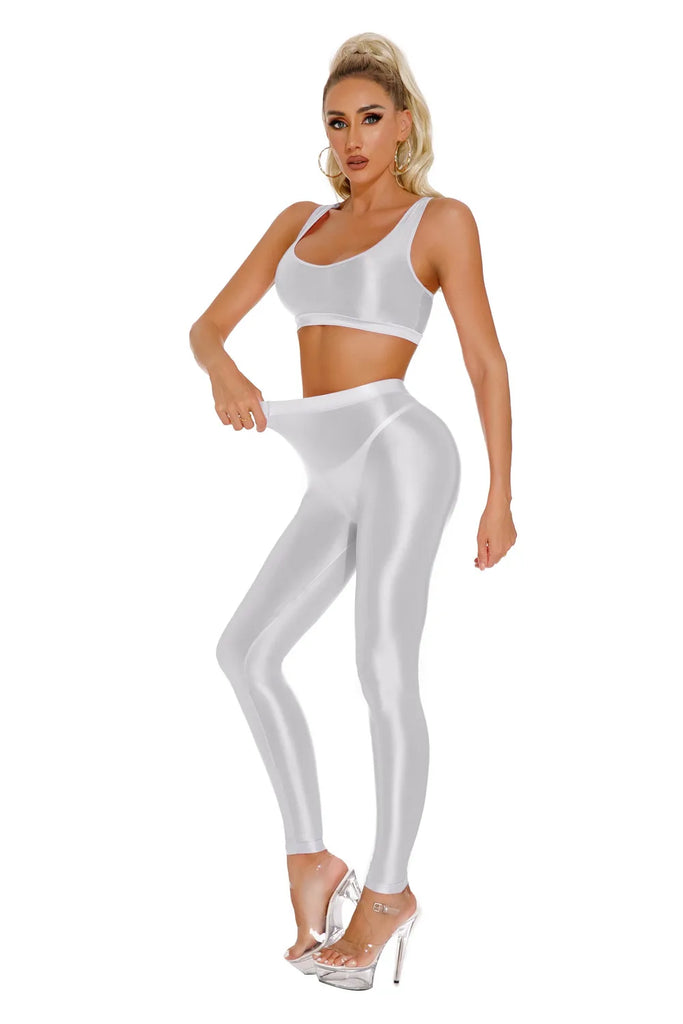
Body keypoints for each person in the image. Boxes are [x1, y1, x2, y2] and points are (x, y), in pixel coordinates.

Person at [189, 32, 516, 991]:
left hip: (401, 449)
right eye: (337, 123)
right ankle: (310, 859)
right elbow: (206, 325)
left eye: (371, 118)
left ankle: (388, 890)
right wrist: (223, 371)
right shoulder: (298, 222)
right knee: (243, 652)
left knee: (380, 667)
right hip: (323, 463)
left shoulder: (440, 220)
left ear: (404, 122)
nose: (353, 138)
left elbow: (484, 361)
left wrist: (501, 491)